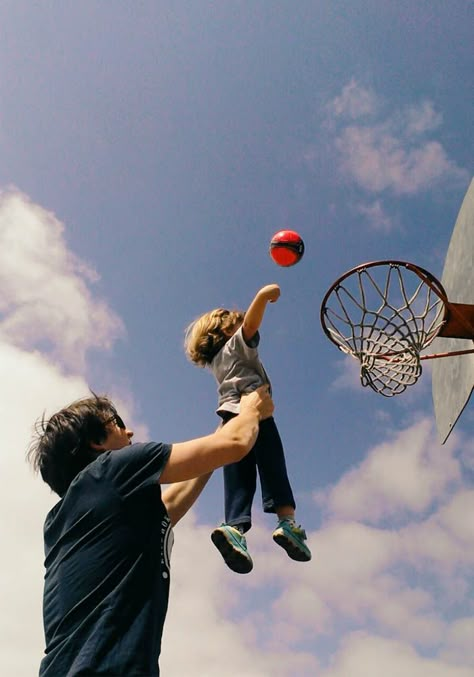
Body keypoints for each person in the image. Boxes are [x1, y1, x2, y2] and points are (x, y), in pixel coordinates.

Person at [28, 386, 273, 676]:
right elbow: (236, 443)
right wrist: (252, 408)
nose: (129, 432)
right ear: (96, 441)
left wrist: (219, 438)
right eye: (117, 422)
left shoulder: (64, 519)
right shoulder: (114, 468)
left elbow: (169, 506)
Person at [184, 283, 311, 574]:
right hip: (254, 412)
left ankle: (233, 526)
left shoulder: (217, 361)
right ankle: (287, 523)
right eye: (237, 324)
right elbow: (251, 324)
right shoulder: (236, 346)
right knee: (273, 465)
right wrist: (263, 296)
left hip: (230, 418)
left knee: (238, 472)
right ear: (229, 332)